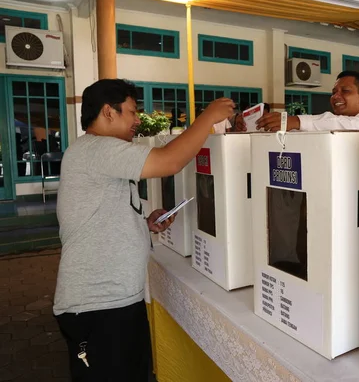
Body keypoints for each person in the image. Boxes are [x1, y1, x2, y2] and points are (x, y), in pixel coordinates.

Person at [53, 79, 233, 381]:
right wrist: (208, 117)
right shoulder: (98, 148)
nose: (138, 120)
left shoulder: (99, 153)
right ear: (109, 112)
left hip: (116, 302)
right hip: (97, 307)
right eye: (132, 112)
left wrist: (144, 224)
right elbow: (170, 161)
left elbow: (100, 215)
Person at [235, 71, 359, 131]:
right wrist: (254, 126)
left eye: (345, 91)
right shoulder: (321, 124)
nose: (336, 96)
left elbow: (342, 124)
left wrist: (296, 121)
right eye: (334, 92)